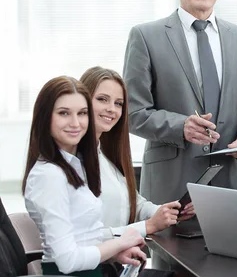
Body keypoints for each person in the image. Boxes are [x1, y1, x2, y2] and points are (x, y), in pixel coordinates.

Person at [123, 0, 237, 204]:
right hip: (170, 186)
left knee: (232, 246)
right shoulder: (145, 37)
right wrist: (181, 127)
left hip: (229, 183)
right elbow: (133, 113)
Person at [22, 76, 146, 276]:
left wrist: (115, 253)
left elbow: (83, 240)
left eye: (82, 113)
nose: (75, 123)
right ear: (45, 118)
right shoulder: (49, 175)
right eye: (64, 113)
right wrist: (120, 241)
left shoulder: (73, 166)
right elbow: (67, 261)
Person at [80, 67, 195, 239]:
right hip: (99, 263)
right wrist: (147, 226)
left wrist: (168, 212)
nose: (112, 109)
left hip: (118, 260)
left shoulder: (105, 159)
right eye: (102, 99)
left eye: (118, 103)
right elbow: (82, 238)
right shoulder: (73, 161)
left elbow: (134, 203)